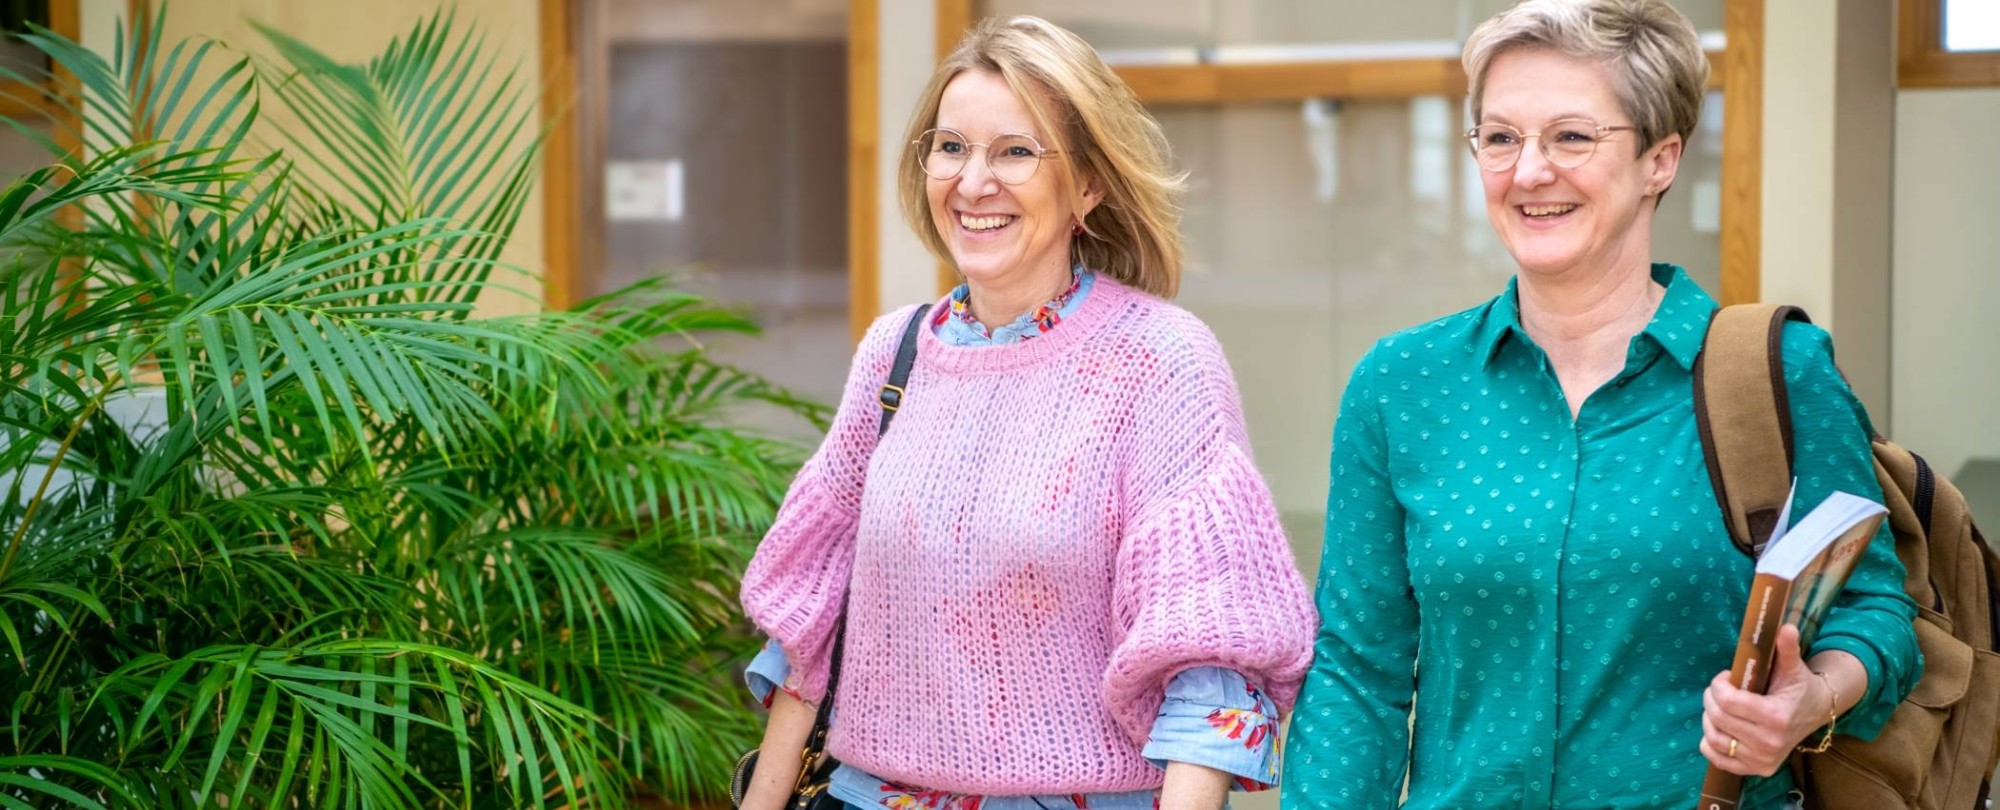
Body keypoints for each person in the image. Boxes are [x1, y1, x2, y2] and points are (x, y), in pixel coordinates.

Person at [1279, 1, 1920, 808]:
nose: (1530, 171)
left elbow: (1875, 609)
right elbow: (1356, 673)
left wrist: (1810, 702)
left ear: (1661, 158)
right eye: (1501, 137)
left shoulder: (1777, 374)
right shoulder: (1402, 384)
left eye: (1572, 136)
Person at [736, 15, 1317, 810]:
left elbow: (1209, 665)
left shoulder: (1160, 360)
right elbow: (810, 625)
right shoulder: (892, 352)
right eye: (950, 148)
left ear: (1087, 183)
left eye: (1015, 151)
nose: (974, 182)